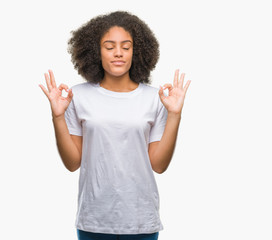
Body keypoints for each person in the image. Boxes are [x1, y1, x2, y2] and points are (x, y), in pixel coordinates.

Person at [39, 10, 191, 240]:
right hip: (94, 220)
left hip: (141, 220)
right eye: (109, 47)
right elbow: (72, 163)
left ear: (136, 51)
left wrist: (175, 114)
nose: (118, 53)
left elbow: (159, 165)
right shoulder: (77, 96)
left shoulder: (155, 98)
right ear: (95, 51)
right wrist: (58, 116)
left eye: (126, 47)